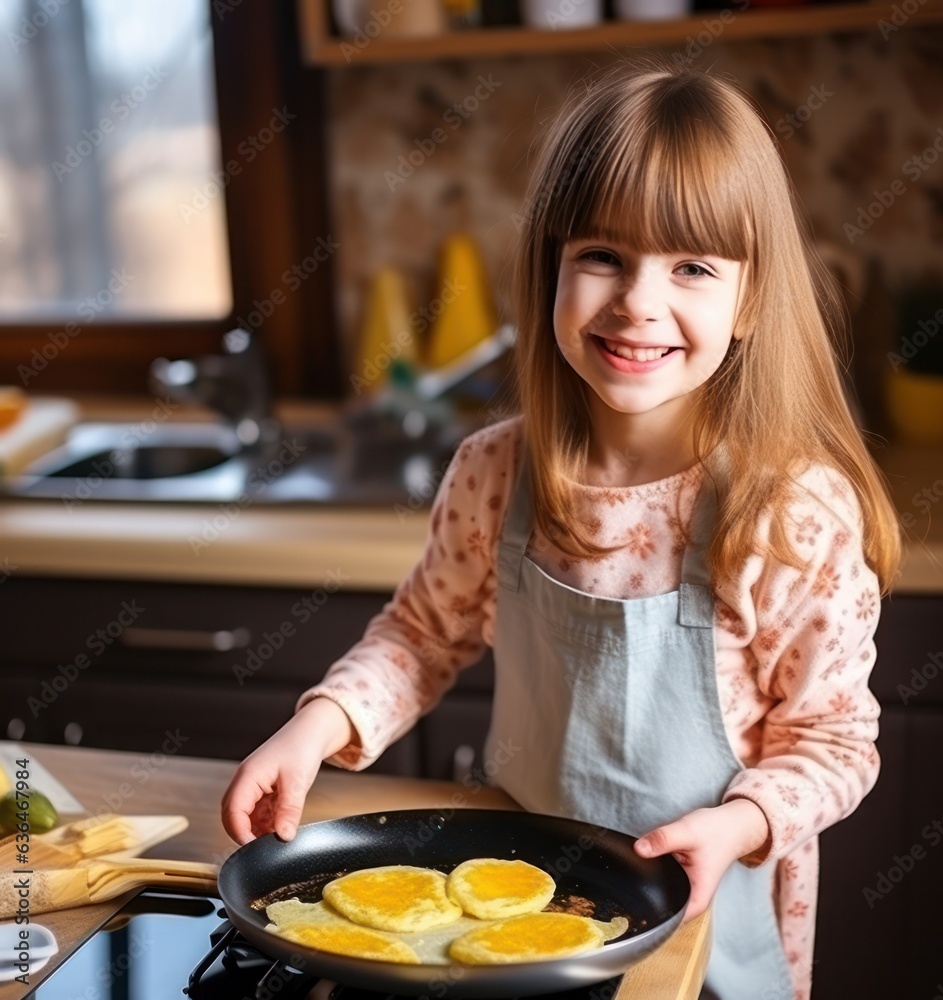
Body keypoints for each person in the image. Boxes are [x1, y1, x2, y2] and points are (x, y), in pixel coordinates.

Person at [222, 62, 901, 1000]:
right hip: (515, 919)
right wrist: (317, 726)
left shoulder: (791, 513)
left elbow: (832, 744)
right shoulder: (496, 473)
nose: (638, 303)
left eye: (692, 268)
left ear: (748, 304)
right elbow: (422, 635)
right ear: (552, 266)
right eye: (603, 256)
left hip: (707, 919)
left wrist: (739, 825)